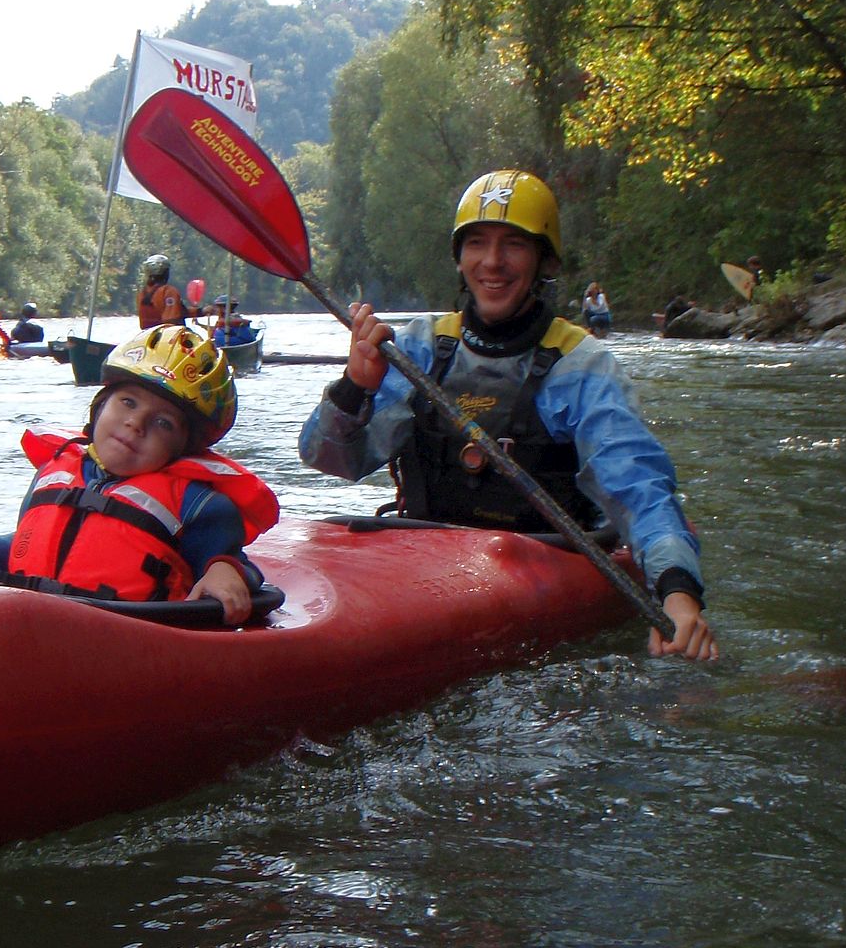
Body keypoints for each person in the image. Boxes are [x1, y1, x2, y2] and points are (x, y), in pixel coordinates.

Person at [297, 168, 718, 661]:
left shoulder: (580, 365)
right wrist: (354, 389)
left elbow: (638, 488)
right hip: (421, 563)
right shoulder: (419, 347)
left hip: (538, 569)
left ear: (543, 259)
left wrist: (679, 597)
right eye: (477, 243)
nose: (492, 262)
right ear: (459, 257)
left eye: (513, 244)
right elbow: (330, 460)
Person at [0, 324, 279, 625]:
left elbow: (236, 567)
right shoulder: (54, 474)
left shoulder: (198, 505)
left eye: (163, 423)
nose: (135, 423)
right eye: (128, 402)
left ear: (184, 447)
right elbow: (26, 550)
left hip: (128, 642)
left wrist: (226, 571)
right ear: (99, 406)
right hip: (35, 631)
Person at [135, 254, 196, 328]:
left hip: (148, 335)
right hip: (167, 335)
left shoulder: (141, 294)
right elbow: (171, 319)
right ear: (165, 272)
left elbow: (178, 311)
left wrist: (200, 311)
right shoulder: (169, 291)